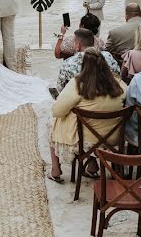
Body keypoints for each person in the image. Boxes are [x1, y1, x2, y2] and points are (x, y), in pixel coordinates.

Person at [48, 48, 127, 183]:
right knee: (92, 123)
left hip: (85, 141)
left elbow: (57, 111)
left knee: (56, 120)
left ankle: (55, 169)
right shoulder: (117, 82)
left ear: (83, 65)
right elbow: (129, 100)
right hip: (114, 138)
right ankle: (91, 165)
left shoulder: (77, 84)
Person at [56, 29, 122, 92]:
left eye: (74, 42)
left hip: (82, 98)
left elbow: (61, 88)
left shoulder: (69, 63)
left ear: (78, 46)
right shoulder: (108, 56)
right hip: (109, 94)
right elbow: (118, 75)